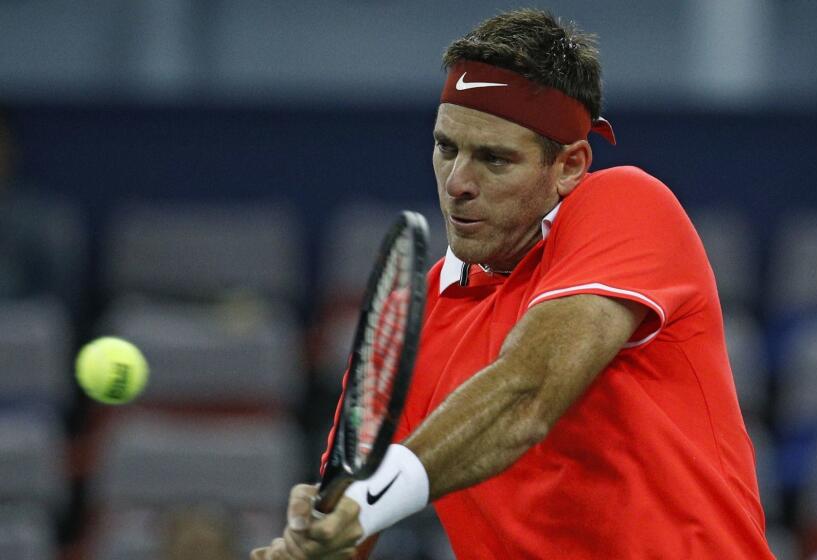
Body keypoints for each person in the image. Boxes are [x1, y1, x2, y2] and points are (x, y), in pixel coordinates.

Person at [252, 8, 774, 559]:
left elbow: (527, 391)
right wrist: (317, 543)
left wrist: (370, 502)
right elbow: (346, 519)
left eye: (494, 160)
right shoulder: (414, 319)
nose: (458, 184)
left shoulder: (628, 206)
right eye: (446, 147)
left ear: (570, 165)